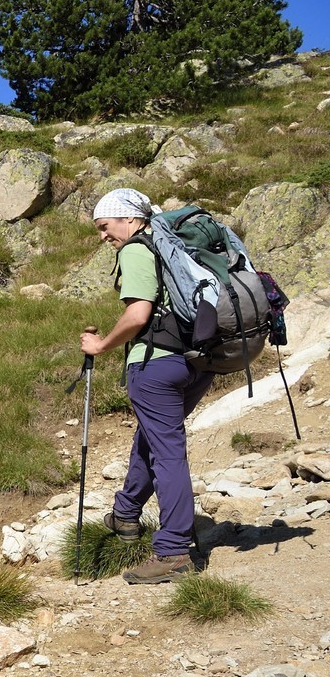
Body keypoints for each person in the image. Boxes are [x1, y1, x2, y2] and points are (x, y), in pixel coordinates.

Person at [79, 188, 214, 584]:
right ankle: (125, 514)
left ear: (128, 218)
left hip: (156, 366)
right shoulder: (169, 245)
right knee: (153, 438)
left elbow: (138, 314)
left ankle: (173, 552)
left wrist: (101, 344)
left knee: (168, 453)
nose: (104, 237)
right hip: (196, 363)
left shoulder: (137, 248)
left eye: (105, 227)